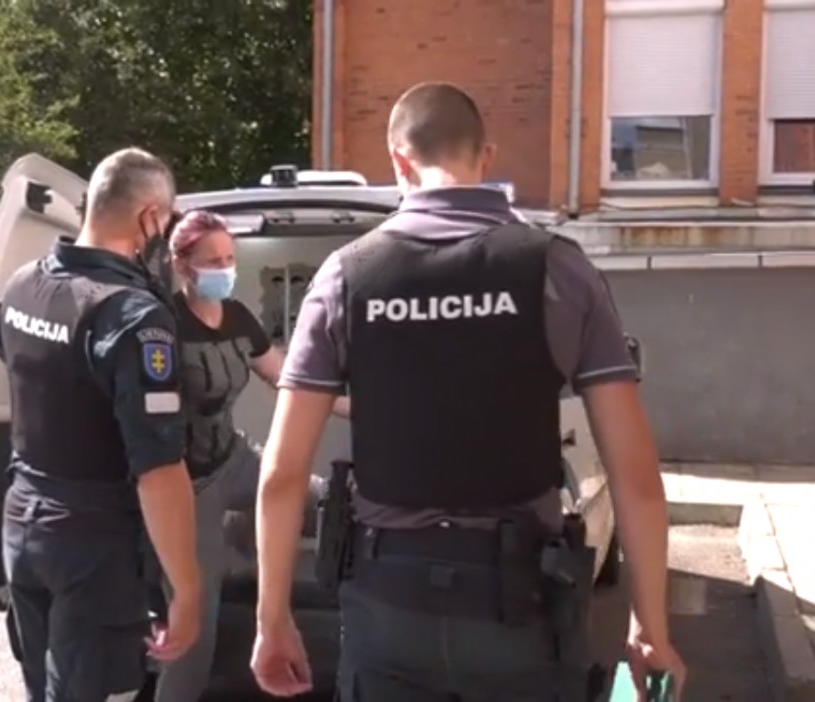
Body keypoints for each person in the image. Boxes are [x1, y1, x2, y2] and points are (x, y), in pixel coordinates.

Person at [249, 83, 687, 700]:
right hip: (518, 610)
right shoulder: (559, 268)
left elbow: (282, 475)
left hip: (388, 608)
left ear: (398, 160)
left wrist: (272, 621)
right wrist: (650, 628)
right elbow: (635, 477)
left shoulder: (346, 277)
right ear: (486, 156)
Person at [0, 147, 202, 702]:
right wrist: (186, 588)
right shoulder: (132, 315)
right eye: (167, 221)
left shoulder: (20, 285)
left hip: (23, 526)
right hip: (94, 546)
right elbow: (158, 470)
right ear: (149, 218)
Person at [152, 210, 347, 702]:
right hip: (186, 486)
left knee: (330, 503)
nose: (224, 269)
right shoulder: (163, 326)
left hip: (233, 458)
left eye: (229, 259)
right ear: (182, 265)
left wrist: (355, 407)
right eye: (213, 260)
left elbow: (286, 376)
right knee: (196, 624)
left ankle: (248, 545)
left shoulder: (237, 316)